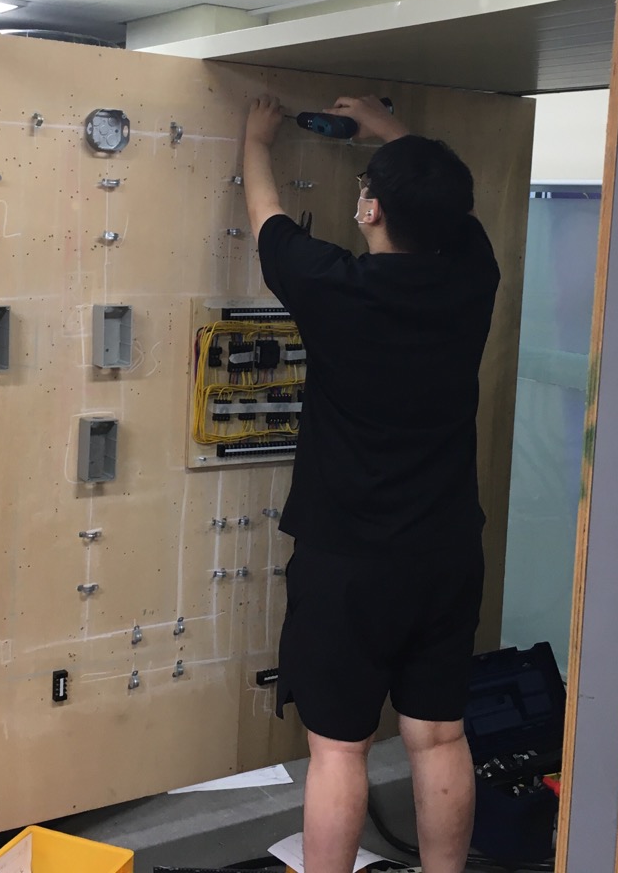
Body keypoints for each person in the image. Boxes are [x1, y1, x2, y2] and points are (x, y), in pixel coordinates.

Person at [242, 93, 501, 873]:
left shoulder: (337, 288)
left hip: (348, 558)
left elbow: (268, 222)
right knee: (440, 736)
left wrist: (256, 139)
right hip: (446, 551)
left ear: (370, 210)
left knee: (338, 749)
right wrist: (390, 131)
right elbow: (448, 207)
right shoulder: (473, 276)